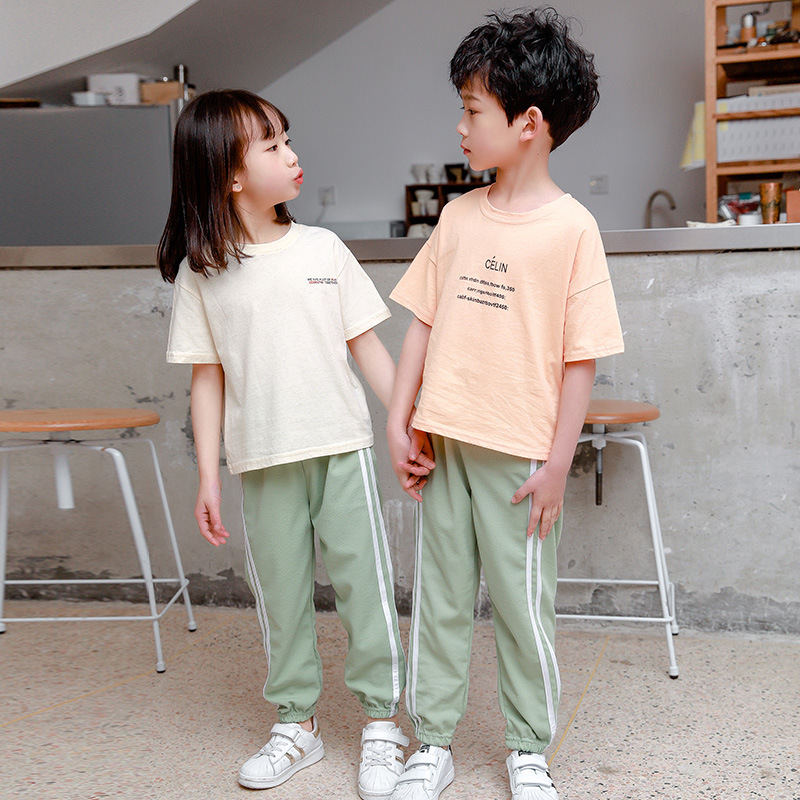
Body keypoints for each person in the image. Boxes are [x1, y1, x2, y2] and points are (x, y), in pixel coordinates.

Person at [158, 89, 432, 798]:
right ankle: (296, 725)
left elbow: (368, 349)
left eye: (288, 139)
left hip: (342, 448)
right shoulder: (203, 271)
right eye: (273, 145)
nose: (292, 154)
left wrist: (407, 428)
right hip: (262, 460)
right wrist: (208, 475)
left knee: (366, 592)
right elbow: (207, 379)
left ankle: (381, 724)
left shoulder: (324, 250)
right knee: (280, 597)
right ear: (231, 174)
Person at [386, 10, 624, 800]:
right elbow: (423, 322)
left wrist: (558, 463)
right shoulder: (457, 216)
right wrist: (398, 418)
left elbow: (580, 358)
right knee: (441, 602)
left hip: (520, 457)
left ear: (528, 123)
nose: (459, 127)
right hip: (444, 443)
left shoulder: (573, 229)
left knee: (523, 609)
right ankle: (434, 741)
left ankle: (528, 749)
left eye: (471, 110)